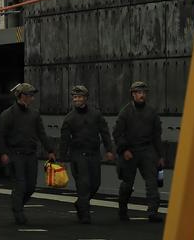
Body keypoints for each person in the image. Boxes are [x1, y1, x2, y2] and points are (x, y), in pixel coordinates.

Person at [0, 83, 54, 225]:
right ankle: (18, 212)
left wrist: (50, 150)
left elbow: (41, 133)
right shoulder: (8, 114)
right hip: (15, 154)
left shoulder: (34, 114)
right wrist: (4, 153)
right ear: (22, 96)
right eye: (30, 95)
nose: (32, 98)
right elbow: (0, 135)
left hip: (31, 154)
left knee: (31, 186)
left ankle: (17, 204)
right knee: (20, 184)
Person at [58, 85, 115, 224]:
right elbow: (64, 140)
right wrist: (62, 159)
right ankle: (85, 214)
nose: (76, 99)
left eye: (79, 97)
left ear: (85, 98)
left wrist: (109, 150)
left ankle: (80, 203)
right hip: (78, 155)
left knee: (95, 184)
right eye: (74, 97)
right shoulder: (69, 118)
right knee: (83, 185)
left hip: (94, 154)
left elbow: (105, 133)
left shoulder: (96, 115)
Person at [113, 80, 165, 223]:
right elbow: (117, 133)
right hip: (129, 151)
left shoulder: (152, 113)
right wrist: (124, 150)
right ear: (133, 94)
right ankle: (122, 209)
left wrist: (160, 155)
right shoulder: (125, 112)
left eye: (143, 92)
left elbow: (157, 135)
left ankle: (153, 212)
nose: (141, 95)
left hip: (147, 150)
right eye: (138, 92)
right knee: (127, 183)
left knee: (152, 182)